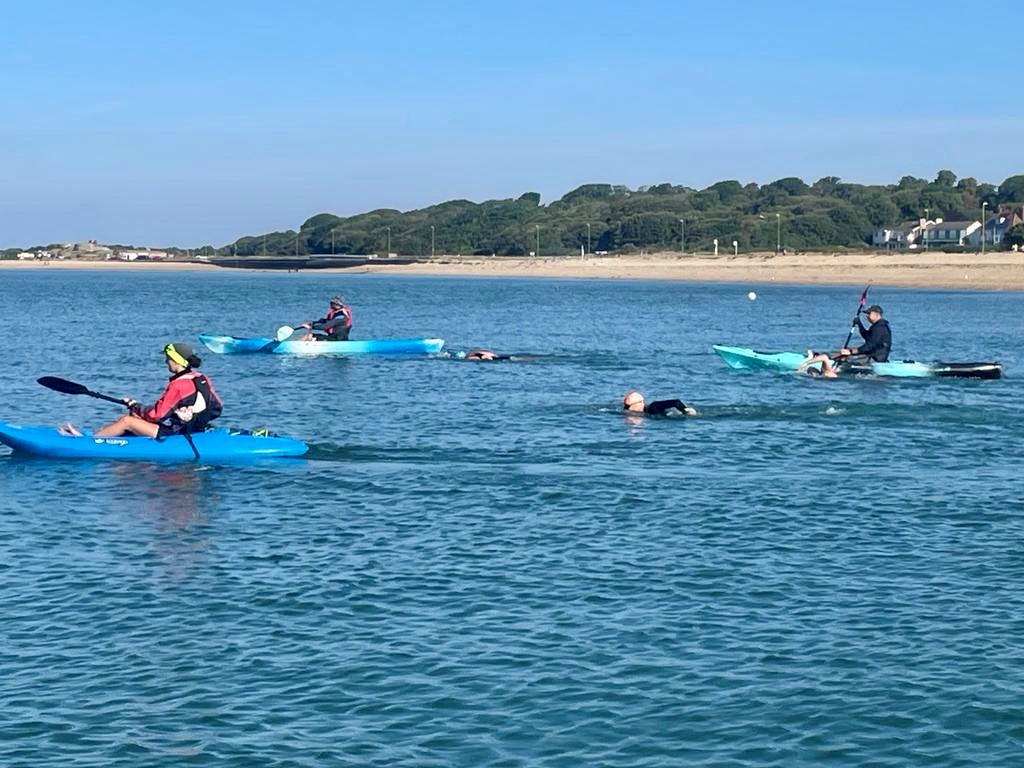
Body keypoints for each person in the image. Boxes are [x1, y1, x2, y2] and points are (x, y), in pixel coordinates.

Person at [60, 343, 223, 438]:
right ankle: (99, 436)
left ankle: (89, 442)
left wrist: (135, 405)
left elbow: (157, 415)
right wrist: (190, 415)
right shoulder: (202, 378)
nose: (166, 362)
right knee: (134, 417)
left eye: (168, 359)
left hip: (178, 432)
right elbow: (217, 408)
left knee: (127, 421)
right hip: (196, 428)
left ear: (177, 361)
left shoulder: (179, 385)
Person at [623, 391, 697, 417]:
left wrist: (686, 411)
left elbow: (676, 402)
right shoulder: (647, 411)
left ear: (638, 404)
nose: (627, 409)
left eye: (627, 407)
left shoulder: (654, 407)